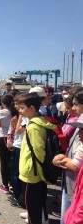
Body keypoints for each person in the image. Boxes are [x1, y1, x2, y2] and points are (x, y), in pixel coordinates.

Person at [18, 92, 57, 224]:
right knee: (39, 202)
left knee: (32, 208)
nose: (20, 110)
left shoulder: (33, 127)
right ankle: (43, 219)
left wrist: (43, 175)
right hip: (37, 174)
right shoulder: (42, 121)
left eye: (22, 108)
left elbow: (38, 153)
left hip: (32, 174)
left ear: (32, 108)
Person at [53, 88, 83, 223]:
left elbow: (76, 164)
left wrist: (58, 160)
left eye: (76, 104)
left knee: (69, 216)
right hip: (71, 182)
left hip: (75, 183)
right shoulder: (76, 119)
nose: (72, 107)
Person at [0, 94, 18, 193]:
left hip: (3, 137)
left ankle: (5, 185)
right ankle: (13, 184)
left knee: (4, 162)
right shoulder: (16, 111)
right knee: (12, 161)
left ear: (3, 103)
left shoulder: (1, 112)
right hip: (14, 138)